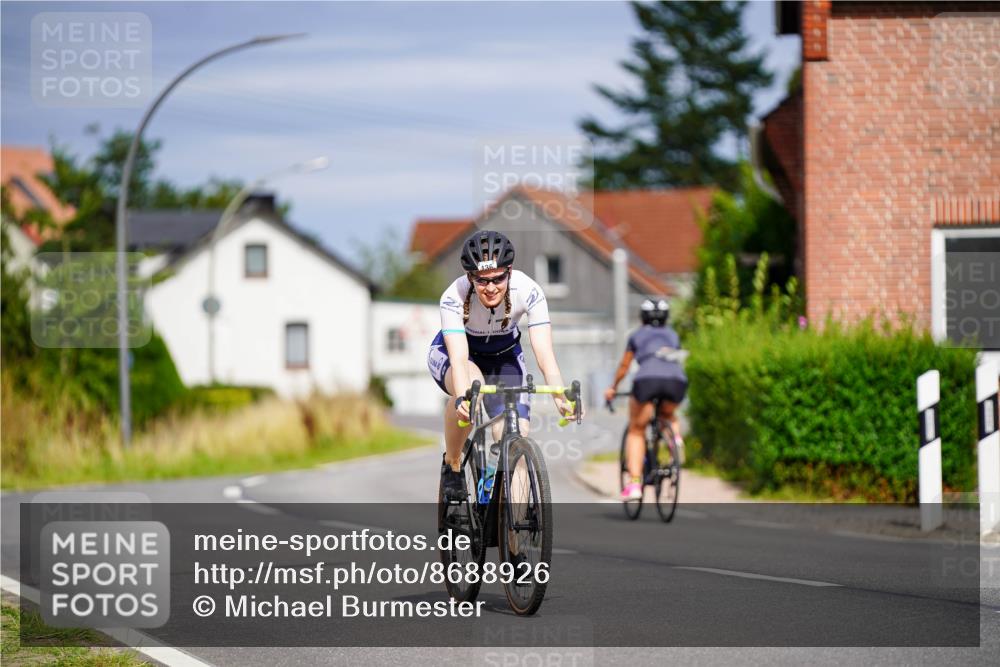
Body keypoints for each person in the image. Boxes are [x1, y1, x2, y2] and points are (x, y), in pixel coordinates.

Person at [428, 230, 575, 500]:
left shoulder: (529, 290)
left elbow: (544, 353)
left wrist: (559, 393)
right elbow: (459, 359)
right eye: (482, 281)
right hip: (460, 354)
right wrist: (463, 398)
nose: (491, 287)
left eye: (498, 278)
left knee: (515, 434)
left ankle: (516, 535)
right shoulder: (454, 296)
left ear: (509, 271)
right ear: (470, 278)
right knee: (472, 392)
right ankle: (453, 464)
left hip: (503, 356)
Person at [604, 298, 688, 501]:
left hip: (647, 380)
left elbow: (624, 366)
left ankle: (634, 484)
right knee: (668, 413)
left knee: (636, 429)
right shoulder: (673, 335)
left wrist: (613, 388)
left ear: (642, 317)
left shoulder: (637, 335)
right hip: (676, 380)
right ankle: (675, 440)